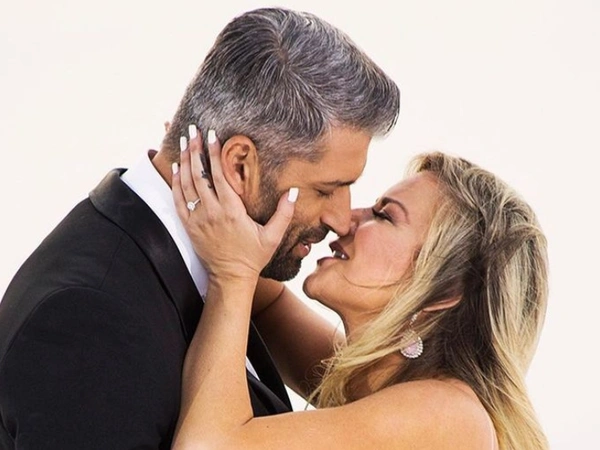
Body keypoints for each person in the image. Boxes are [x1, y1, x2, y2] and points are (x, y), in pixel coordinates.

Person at [0, 7, 400, 449]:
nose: (341, 219)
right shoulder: (89, 318)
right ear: (239, 165)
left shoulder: (215, 266)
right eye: (326, 190)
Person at [169, 132, 549, 449]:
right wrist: (225, 180)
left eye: (384, 215)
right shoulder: (375, 381)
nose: (345, 220)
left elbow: (208, 446)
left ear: (444, 290)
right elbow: (265, 300)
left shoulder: (448, 415)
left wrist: (233, 273)